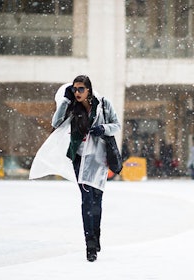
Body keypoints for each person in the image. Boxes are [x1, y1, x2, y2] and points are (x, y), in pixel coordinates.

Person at [30, 75, 121, 262]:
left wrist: (103, 129)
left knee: (97, 199)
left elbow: (116, 125)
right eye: (74, 89)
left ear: (89, 89)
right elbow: (56, 123)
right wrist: (64, 100)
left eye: (81, 89)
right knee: (87, 199)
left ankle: (96, 236)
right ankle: (90, 244)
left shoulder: (103, 104)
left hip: (99, 158)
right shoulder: (72, 106)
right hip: (79, 159)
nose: (77, 93)